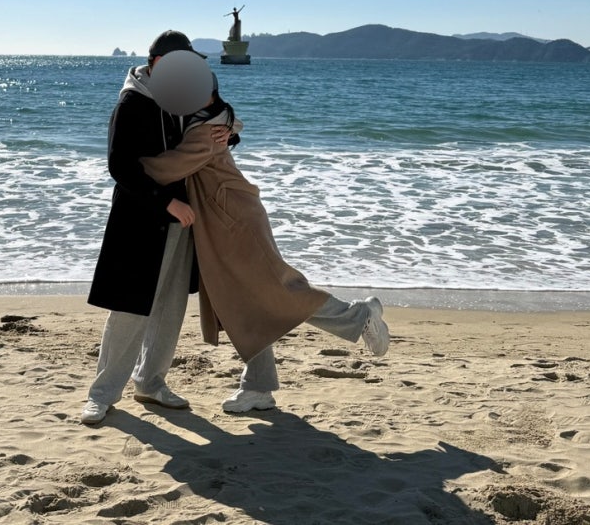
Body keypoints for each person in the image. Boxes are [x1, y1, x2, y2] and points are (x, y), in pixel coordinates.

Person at [139, 84, 390, 414]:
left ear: (209, 96)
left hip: (236, 221)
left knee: (280, 293)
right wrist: (230, 125)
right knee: (244, 304)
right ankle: (258, 387)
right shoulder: (209, 122)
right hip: (224, 221)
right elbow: (227, 124)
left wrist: (126, 166)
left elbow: (164, 169)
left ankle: (360, 316)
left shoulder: (204, 131)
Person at [81, 30, 231, 427]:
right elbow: (119, 166)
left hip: (183, 219)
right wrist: (166, 202)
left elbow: (214, 113)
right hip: (140, 218)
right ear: (160, 64)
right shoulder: (131, 102)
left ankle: (150, 382)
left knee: (170, 306)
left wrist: (229, 128)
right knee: (130, 310)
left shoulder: (184, 94)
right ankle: (101, 394)